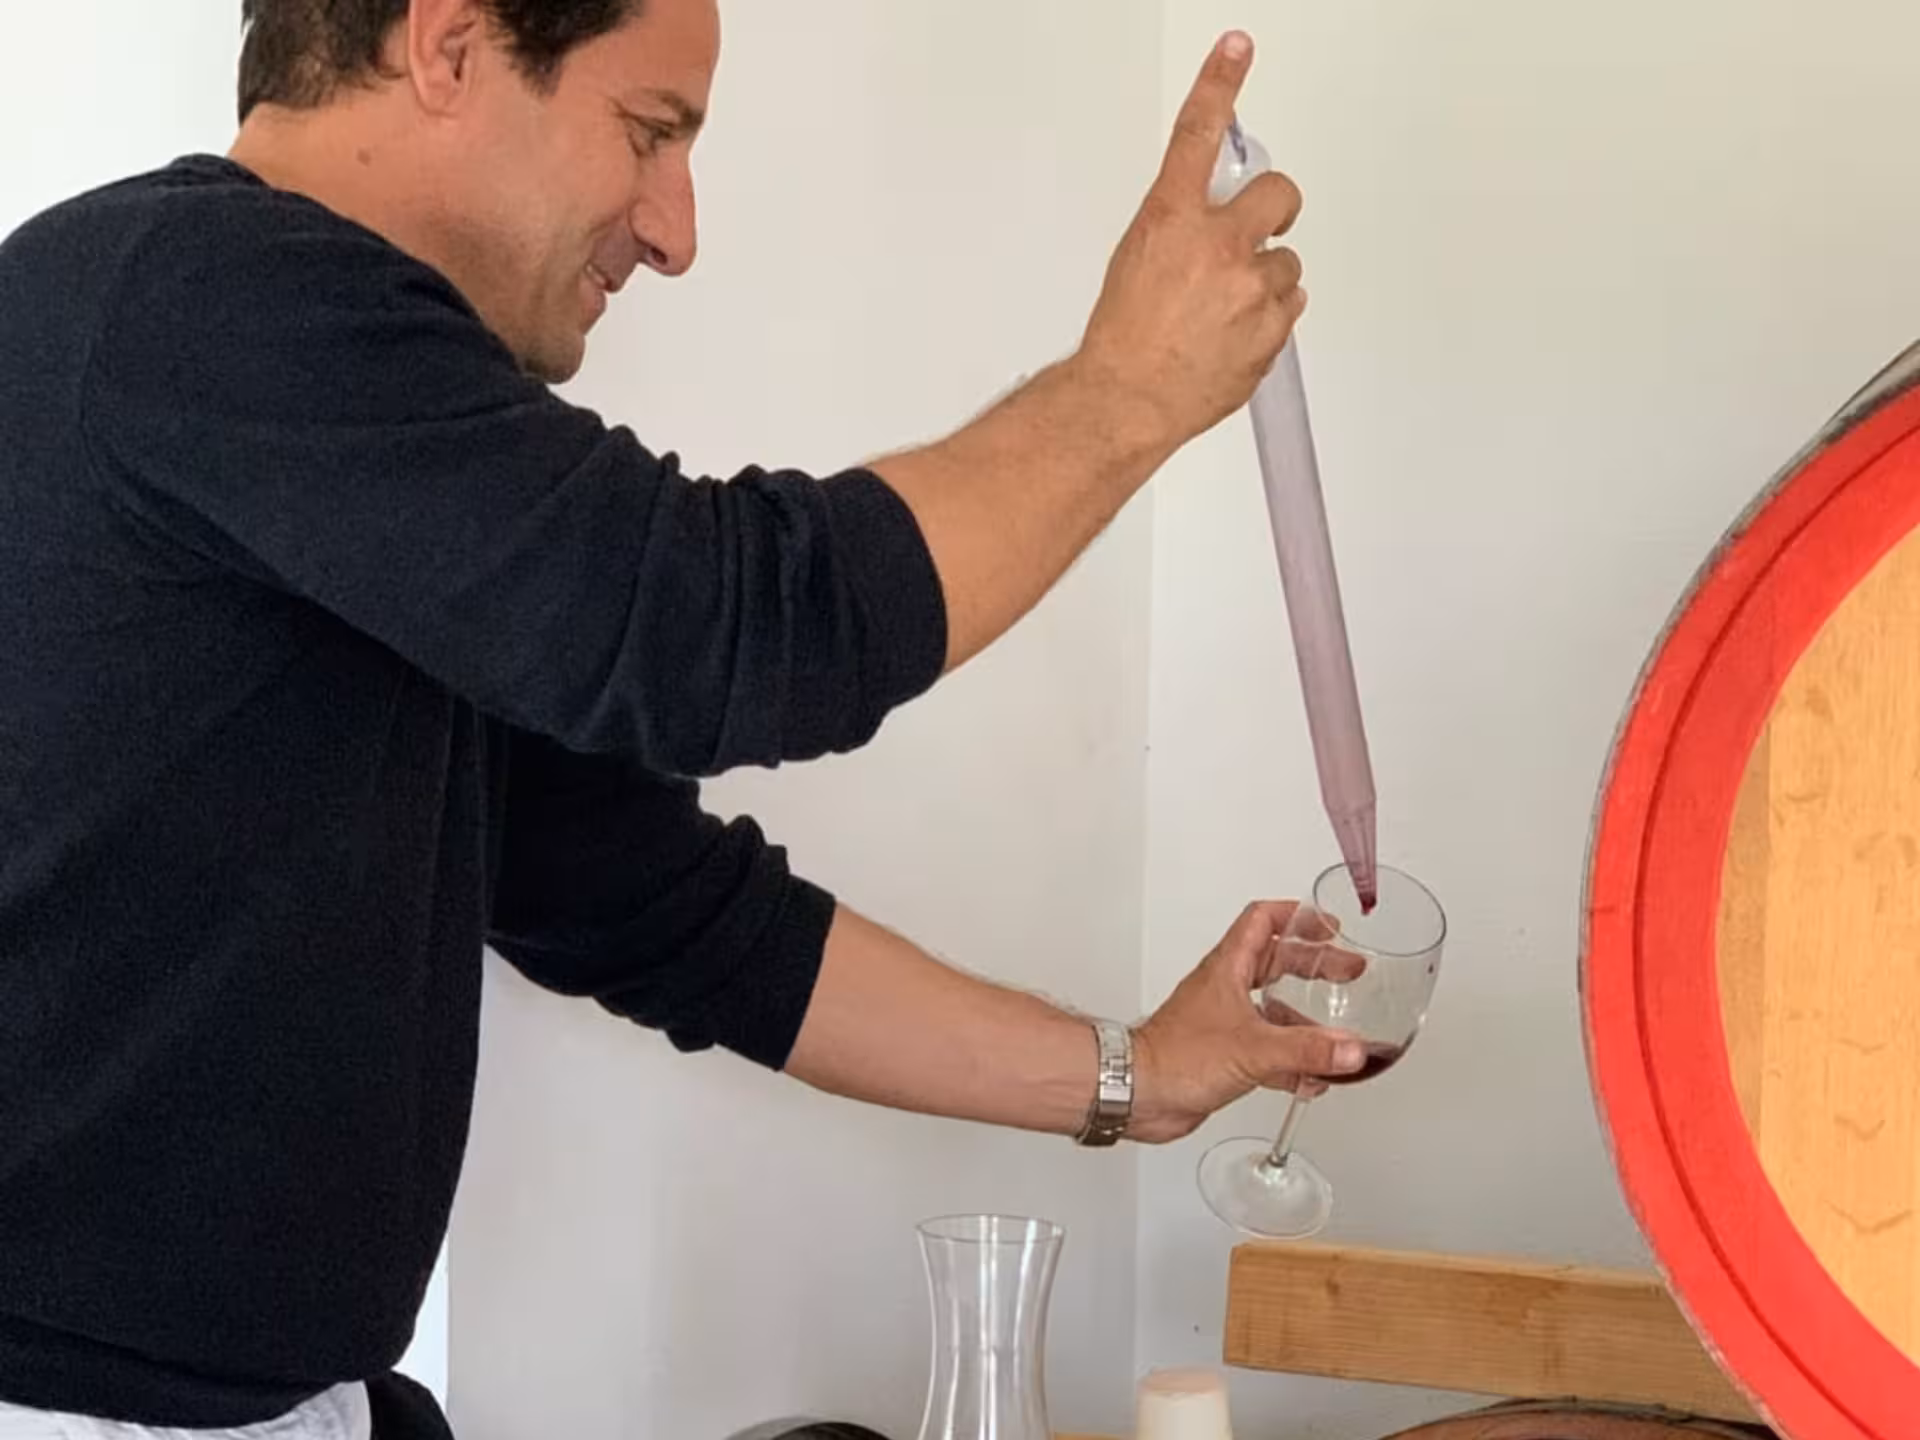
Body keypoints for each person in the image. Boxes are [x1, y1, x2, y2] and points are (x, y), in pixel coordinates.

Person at [0, 2, 1363, 1436]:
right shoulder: (203, 297)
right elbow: (720, 631)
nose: (676, 230)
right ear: (450, 46)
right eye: (650, 134)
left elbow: (664, 910)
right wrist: (1125, 394)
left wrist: (1134, 1075)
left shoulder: (300, 430)